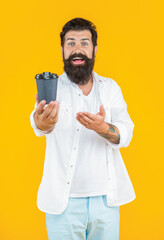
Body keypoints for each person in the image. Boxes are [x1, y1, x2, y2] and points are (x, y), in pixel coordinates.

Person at [30, 17, 136, 240]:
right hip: (63, 203)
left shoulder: (110, 87)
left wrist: (103, 127)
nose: (77, 49)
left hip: (105, 201)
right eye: (71, 43)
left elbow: (126, 131)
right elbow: (39, 122)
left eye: (84, 43)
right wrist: (43, 123)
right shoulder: (53, 87)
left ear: (94, 49)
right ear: (62, 50)